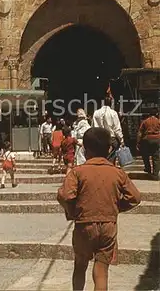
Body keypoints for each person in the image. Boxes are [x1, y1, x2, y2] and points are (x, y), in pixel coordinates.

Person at [57, 127, 141, 291]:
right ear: (109, 149)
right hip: (108, 225)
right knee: (102, 269)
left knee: (80, 265)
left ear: (84, 149)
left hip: (84, 225)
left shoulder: (77, 172)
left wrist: (72, 211)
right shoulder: (117, 173)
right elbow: (135, 197)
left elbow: (65, 196)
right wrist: (116, 207)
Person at [92, 96, 124, 165]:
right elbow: (117, 129)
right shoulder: (113, 113)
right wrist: (121, 140)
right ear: (111, 103)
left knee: (100, 158)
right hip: (111, 139)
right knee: (111, 159)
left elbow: (93, 127)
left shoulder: (96, 113)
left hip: (99, 139)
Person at [136, 109, 160, 180]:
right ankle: (155, 174)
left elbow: (140, 133)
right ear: (157, 114)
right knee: (156, 156)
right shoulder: (158, 121)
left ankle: (148, 168)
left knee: (145, 155)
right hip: (157, 139)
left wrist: (138, 142)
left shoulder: (145, 121)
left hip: (147, 139)